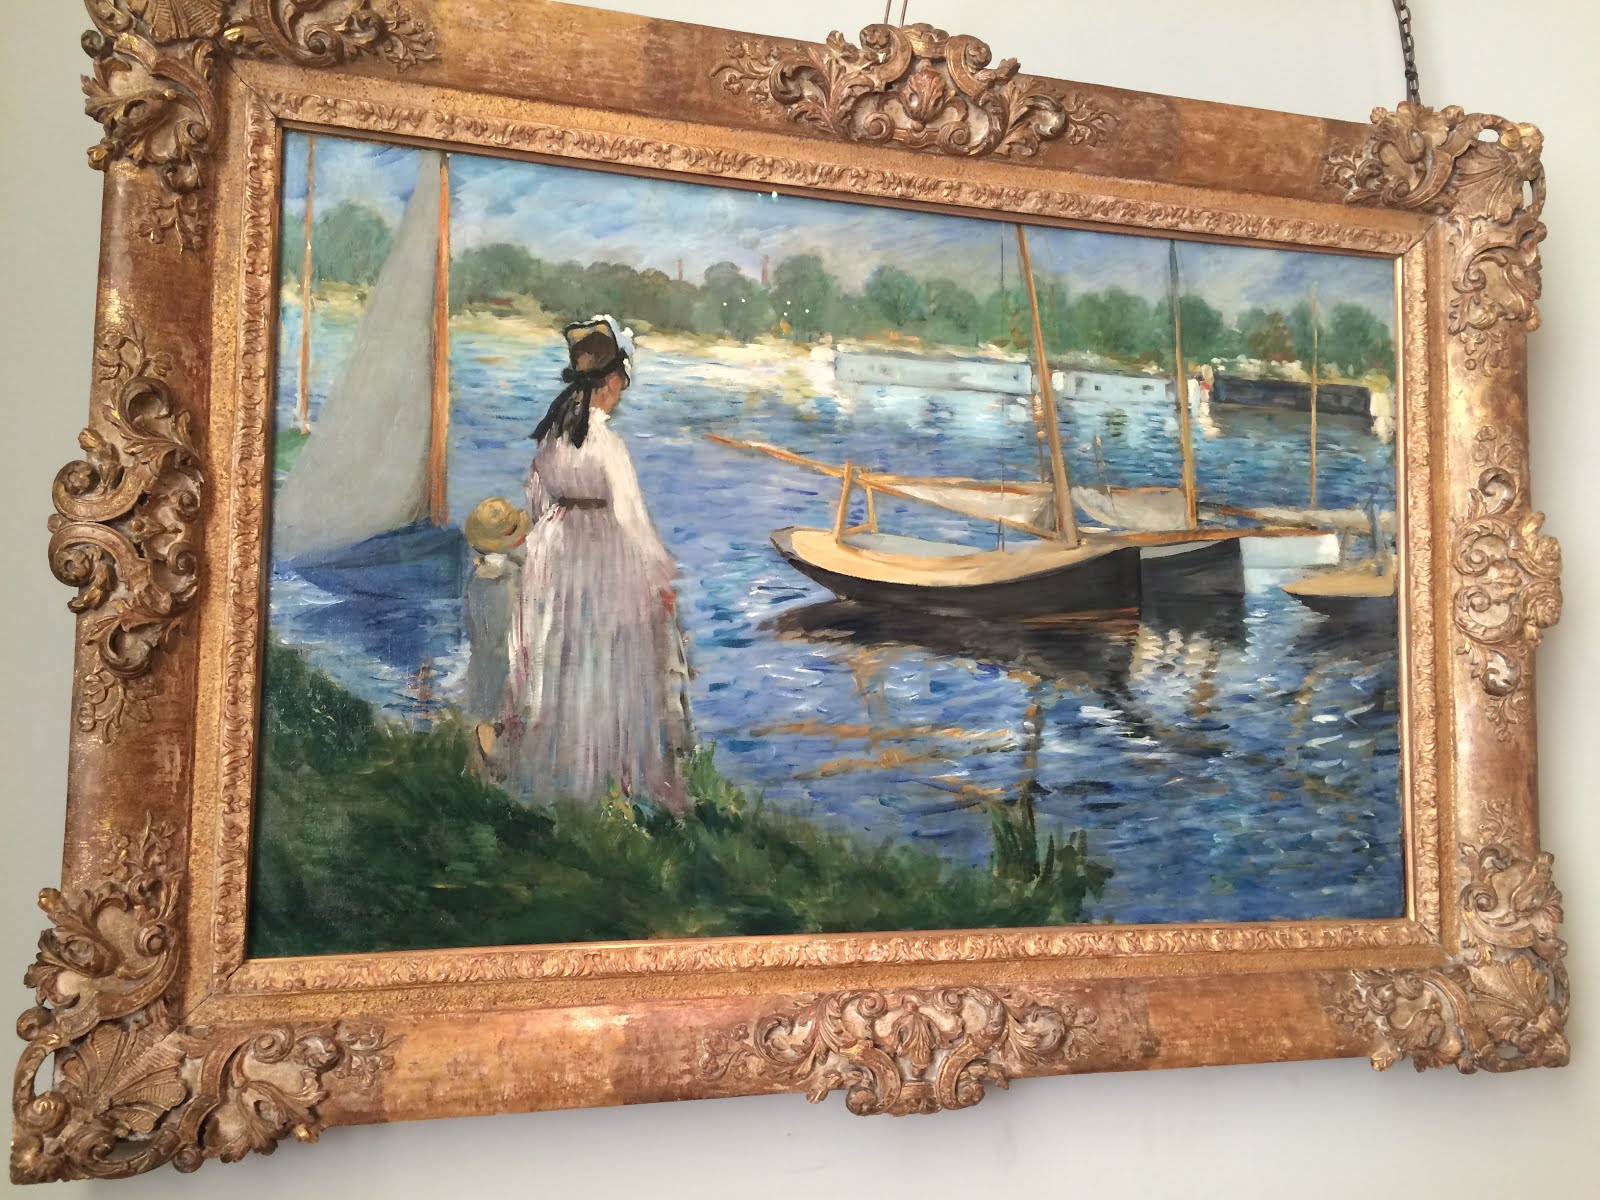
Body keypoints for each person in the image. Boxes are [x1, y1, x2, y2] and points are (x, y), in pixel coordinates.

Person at [481, 315, 694, 813]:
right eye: (621, 382)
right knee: (603, 659)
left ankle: (553, 771)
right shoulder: (608, 446)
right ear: (611, 382)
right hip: (602, 557)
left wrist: (557, 529)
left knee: (557, 652)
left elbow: (536, 498)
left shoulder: (553, 437)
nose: (621, 392)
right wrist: (660, 575)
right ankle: (602, 778)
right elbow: (632, 520)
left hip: (554, 551)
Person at [461, 497, 530, 726]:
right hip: (508, 668)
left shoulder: (476, 577)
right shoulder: (514, 576)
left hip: (481, 667)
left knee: (483, 721)